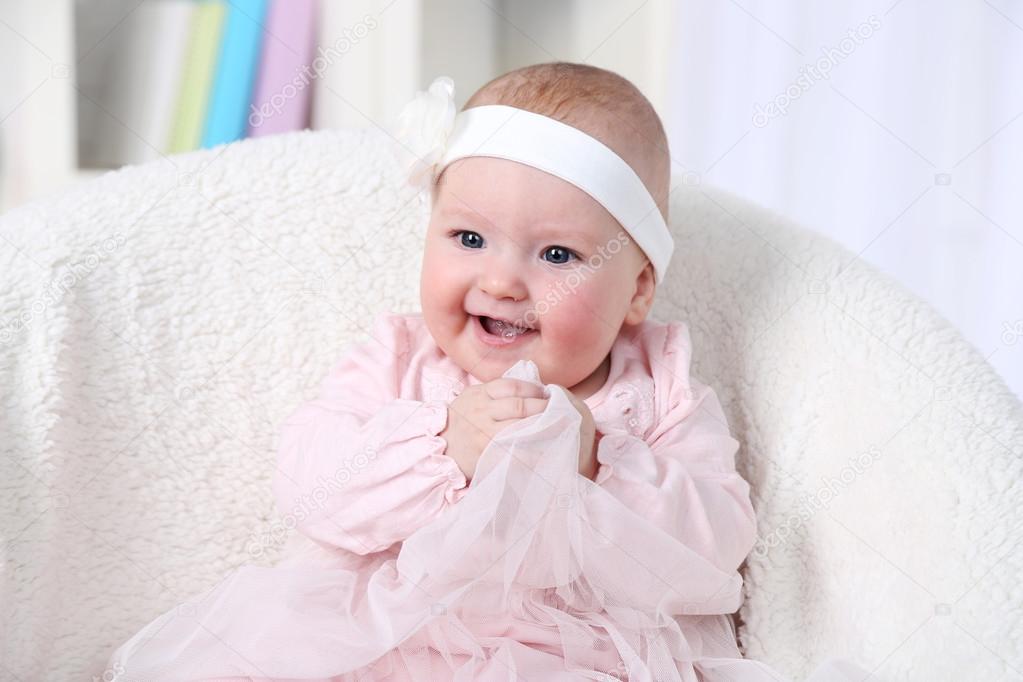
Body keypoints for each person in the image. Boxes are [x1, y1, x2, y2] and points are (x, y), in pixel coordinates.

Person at [106, 62, 872, 681]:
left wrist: (600, 462)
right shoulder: (401, 361)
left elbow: (714, 551)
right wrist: (442, 446)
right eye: (469, 238)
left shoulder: (660, 390)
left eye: (558, 256)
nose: (502, 281)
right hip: (385, 644)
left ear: (636, 287)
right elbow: (311, 487)